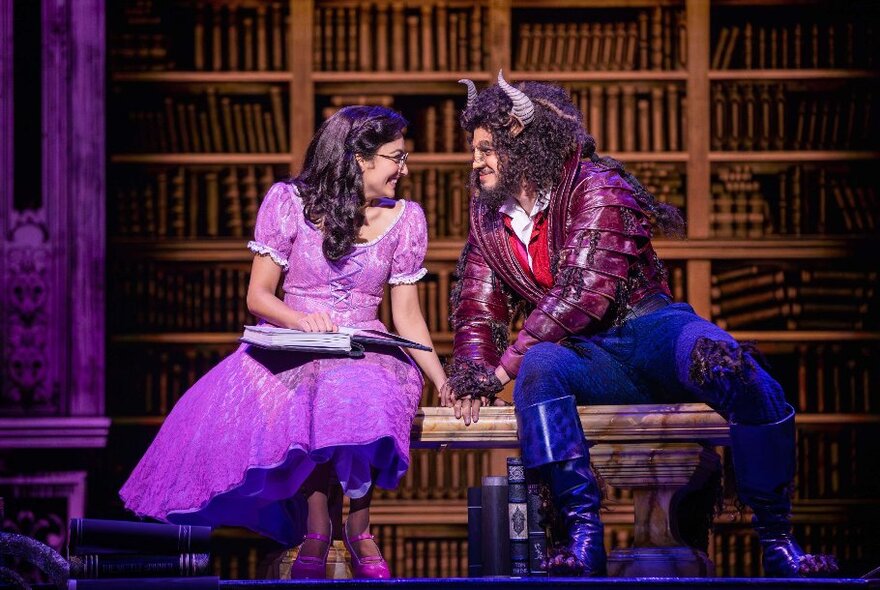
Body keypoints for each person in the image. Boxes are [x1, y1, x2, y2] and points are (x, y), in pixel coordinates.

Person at [441, 72, 838, 578]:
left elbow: (582, 291)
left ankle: (779, 542)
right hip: (586, 354)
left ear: (524, 141)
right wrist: (474, 375)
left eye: (486, 149)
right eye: (474, 150)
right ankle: (582, 537)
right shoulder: (488, 218)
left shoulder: (596, 184)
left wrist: (499, 374)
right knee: (540, 366)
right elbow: (478, 307)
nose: (475, 162)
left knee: (736, 369)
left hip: (652, 331)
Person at [120, 105, 447, 580]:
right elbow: (258, 296)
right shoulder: (288, 202)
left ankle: (359, 526)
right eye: (396, 157)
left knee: (367, 386)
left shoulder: (406, 220)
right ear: (360, 158)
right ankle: (317, 526)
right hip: (295, 339)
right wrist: (302, 320)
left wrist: (439, 376)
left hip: (364, 340)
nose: (404, 168)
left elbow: (408, 315)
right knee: (313, 388)